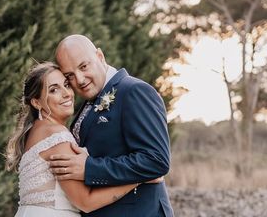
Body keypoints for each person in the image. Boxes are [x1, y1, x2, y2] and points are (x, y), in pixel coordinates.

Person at [6, 62, 157, 216]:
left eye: (66, 85)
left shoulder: (36, 131)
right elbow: (86, 202)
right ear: (36, 102)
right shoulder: (56, 136)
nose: (66, 93)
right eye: (53, 90)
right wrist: (139, 179)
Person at [48, 34, 174, 217]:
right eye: (70, 75)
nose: (80, 80)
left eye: (84, 66)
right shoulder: (89, 103)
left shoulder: (133, 91)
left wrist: (90, 168)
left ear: (100, 56)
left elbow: (156, 160)